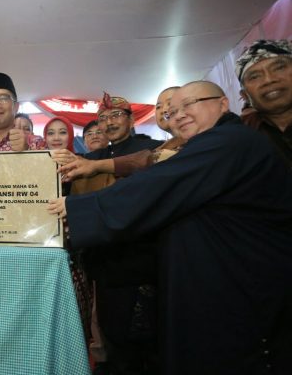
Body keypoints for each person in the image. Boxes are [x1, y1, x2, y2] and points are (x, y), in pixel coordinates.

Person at [49, 80, 292, 375]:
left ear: (223, 103)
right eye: (171, 110)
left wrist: (79, 210)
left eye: (189, 105)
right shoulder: (209, 142)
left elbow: (158, 183)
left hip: (239, 288)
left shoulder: (229, 141)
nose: (178, 115)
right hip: (174, 279)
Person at [235, 39, 292, 167]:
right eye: (254, 77)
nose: (269, 80)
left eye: (279, 68)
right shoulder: (240, 136)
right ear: (245, 96)